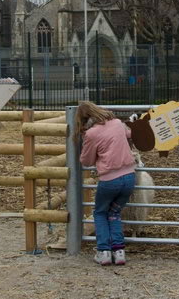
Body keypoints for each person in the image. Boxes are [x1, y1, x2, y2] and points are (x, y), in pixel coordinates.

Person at [76, 101, 136, 266]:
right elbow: (130, 134)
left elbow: (86, 161)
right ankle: (119, 251)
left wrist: (86, 140)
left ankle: (104, 252)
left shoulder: (91, 134)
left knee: (100, 212)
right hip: (129, 176)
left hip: (110, 179)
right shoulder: (117, 123)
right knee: (114, 213)